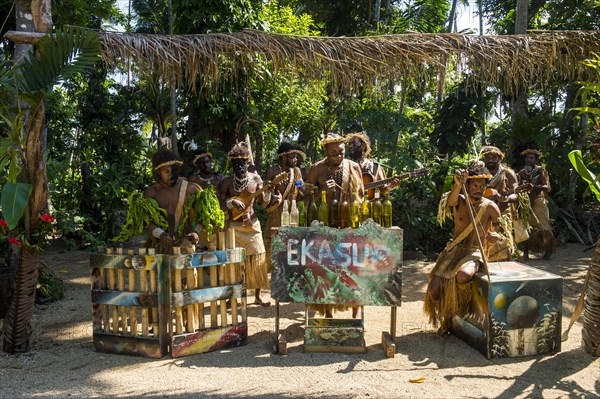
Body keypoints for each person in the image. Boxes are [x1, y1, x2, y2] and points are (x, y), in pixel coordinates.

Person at [424, 164, 502, 333]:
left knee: (463, 276)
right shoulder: (459, 200)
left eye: (482, 186)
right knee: (433, 290)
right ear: (467, 185)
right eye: (474, 185)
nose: (478, 189)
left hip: (475, 251)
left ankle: (457, 314)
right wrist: (458, 184)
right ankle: (446, 314)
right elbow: (450, 201)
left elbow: (500, 230)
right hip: (454, 249)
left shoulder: (490, 207)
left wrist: (496, 237)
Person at [306, 132, 364, 318]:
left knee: (353, 271)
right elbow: (306, 201)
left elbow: (361, 196)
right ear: (325, 151)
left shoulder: (354, 167)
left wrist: (352, 205)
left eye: (341, 152)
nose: (338, 157)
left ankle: (355, 314)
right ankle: (328, 313)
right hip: (325, 229)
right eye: (333, 153)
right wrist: (322, 191)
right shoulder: (317, 169)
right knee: (326, 272)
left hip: (349, 227)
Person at [219, 143, 278, 307]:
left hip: (252, 224)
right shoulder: (226, 182)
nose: (239, 166)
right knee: (234, 263)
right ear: (231, 165)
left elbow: (265, 203)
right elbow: (220, 204)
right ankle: (235, 298)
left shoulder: (255, 179)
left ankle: (257, 296)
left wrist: (267, 192)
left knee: (259, 257)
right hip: (234, 227)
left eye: (242, 163)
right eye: (235, 164)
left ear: (247, 163)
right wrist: (231, 202)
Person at [144, 149, 201, 254]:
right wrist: (160, 234)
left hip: (186, 247)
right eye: (166, 171)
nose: (171, 175)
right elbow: (145, 221)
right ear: (158, 171)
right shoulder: (151, 193)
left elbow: (203, 216)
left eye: (174, 171)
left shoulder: (191, 189)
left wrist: (196, 232)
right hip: (159, 248)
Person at [264, 142, 305, 260]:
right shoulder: (272, 171)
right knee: (274, 242)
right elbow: (265, 195)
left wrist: (302, 187)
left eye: (296, 157)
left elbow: (301, 191)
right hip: (276, 212)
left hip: (292, 212)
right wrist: (271, 194)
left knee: (292, 241)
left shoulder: (296, 171)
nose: (295, 159)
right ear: (283, 157)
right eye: (292, 157)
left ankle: (291, 269)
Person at [480, 145, 519, 260]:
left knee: (502, 243)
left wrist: (506, 199)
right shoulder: (481, 173)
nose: (491, 160)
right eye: (488, 157)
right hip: (483, 214)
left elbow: (515, 194)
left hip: (502, 214)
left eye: (494, 157)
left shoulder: (508, 173)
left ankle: (504, 264)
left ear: (500, 158)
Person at [517, 148, 554, 259]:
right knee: (527, 228)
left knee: (544, 228)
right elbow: (517, 187)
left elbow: (546, 187)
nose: (529, 160)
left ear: (535, 160)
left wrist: (534, 187)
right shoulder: (521, 173)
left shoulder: (541, 170)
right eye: (527, 158)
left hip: (539, 201)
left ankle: (549, 250)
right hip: (525, 202)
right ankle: (526, 253)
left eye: (531, 158)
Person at [346, 131, 400, 196]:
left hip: (370, 204)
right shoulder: (346, 166)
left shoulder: (374, 167)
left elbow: (383, 190)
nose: (350, 146)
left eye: (354, 143)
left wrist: (391, 186)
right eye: (350, 144)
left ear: (363, 145)